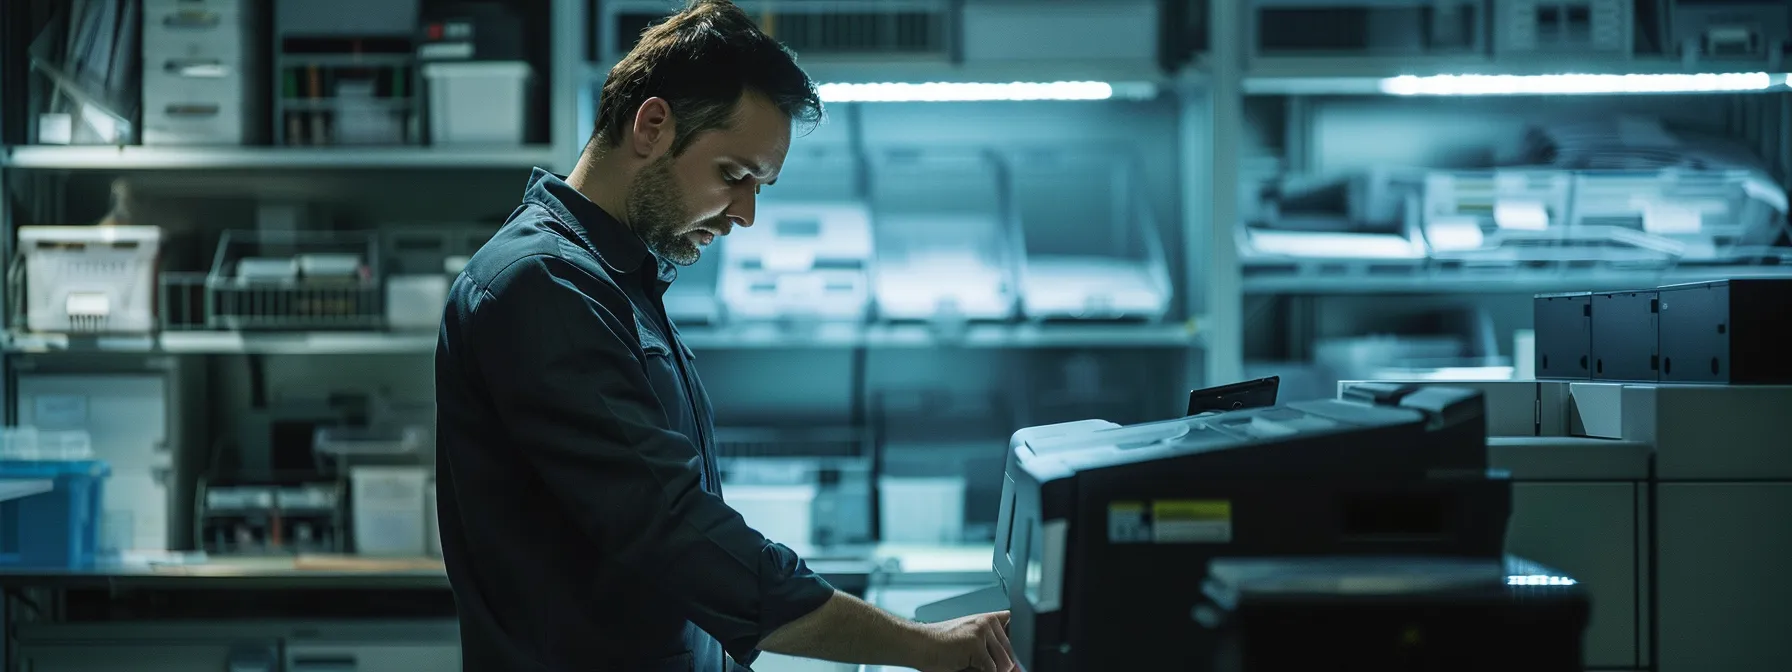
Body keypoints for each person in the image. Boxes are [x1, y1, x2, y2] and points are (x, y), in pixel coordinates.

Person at [433, 1, 1020, 671]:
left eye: (758, 187)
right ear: (652, 126)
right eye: (733, 176)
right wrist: (920, 645)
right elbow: (674, 529)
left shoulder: (618, 281)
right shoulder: (543, 286)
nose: (744, 214)